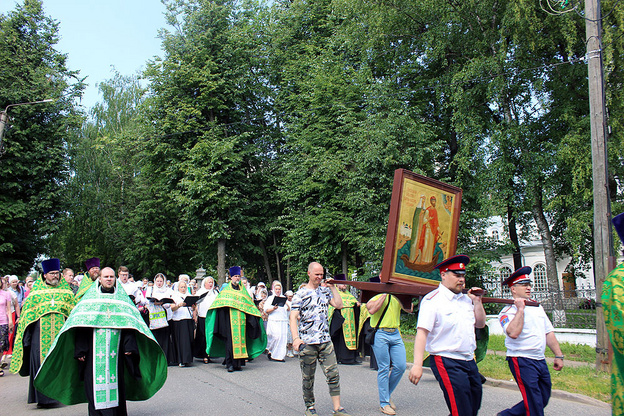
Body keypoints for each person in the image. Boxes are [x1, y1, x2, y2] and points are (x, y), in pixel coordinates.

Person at [33, 267, 167, 415]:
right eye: (106, 276)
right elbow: (81, 324)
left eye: (111, 276)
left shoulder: (122, 299)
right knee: (93, 388)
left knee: (116, 386)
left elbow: (130, 325)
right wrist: (81, 349)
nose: (109, 279)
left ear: (114, 279)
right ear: (100, 279)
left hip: (116, 353)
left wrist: (129, 347)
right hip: (93, 353)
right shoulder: (90, 300)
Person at [408, 255, 486, 416]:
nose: (461, 280)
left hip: (468, 359)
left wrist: (477, 302)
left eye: (463, 275)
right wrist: (417, 365)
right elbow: (422, 333)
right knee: (461, 410)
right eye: (457, 275)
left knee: (473, 404)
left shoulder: (466, 300)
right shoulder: (433, 300)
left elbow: (480, 324)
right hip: (446, 359)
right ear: (443, 275)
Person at [496, 266, 564, 416]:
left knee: (543, 397)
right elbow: (513, 333)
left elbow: (548, 332)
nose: (528, 288)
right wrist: (520, 309)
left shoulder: (536, 306)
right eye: (524, 285)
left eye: (529, 284)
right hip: (521, 359)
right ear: (513, 289)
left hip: (539, 359)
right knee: (533, 402)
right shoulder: (508, 311)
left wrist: (558, 355)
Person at [10, 258, 76, 407]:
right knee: (40, 364)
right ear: (45, 275)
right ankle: (43, 399)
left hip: (60, 336)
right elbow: (27, 317)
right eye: (52, 273)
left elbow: (73, 314)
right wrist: (26, 339)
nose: (55, 276)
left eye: (57, 273)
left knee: (59, 363)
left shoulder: (66, 292)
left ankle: (59, 394)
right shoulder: (36, 294)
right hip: (38, 337)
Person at [290, 262, 351, 416]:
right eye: (316, 274)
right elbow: (293, 318)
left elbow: (339, 305)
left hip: (325, 340)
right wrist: (296, 339)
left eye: (321, 274)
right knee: (308, 377)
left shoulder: (325, 292)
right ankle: (310, 407)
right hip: (308, 342)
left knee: (333, 374)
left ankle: (337, 408)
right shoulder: (300, 294)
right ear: (309, 274)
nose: (319, 277)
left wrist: (332, 287)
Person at [205, 266, 267, 372]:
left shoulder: (243, 291)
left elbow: (250, 305)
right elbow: (219, 304)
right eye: (235, 276)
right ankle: (230, 364)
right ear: (230, 277)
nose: (237, 278)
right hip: (229, 321)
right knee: (230, 343)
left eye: (238, 276)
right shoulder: (225, 291)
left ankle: (238, 363)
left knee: (241, 341)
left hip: (242, 320)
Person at [366, 293, 413, 415]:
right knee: (384, 368)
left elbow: (410, 309)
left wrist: (405, 295)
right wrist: (385, 293)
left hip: (395, 333)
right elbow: (371, 310)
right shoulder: (376, 294)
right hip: (380, 333)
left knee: (401, 366)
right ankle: (384, 403)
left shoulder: (398, 294)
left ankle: (386, 394)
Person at [329, 275, 360, 365]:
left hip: (351, 321)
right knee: (341, 339)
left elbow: (354, 303)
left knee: (353, 337)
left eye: (345, 284)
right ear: (337, 285)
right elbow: (332, 307)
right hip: (341, 321)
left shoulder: (349, 294)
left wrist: (356, 305)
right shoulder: (334, 294)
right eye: (342, 284)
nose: (344, 286)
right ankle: (341, 357)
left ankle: (352, 357)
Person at [145, 273, 174, 364]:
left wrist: (162, 303)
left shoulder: (167, 290)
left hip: (164, 316)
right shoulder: (151, 289)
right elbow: (146, 301)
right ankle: (154, 358)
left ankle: (165, 358)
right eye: (157, 281)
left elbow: (169, 303)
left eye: (161, 281)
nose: (159, 283)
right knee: (155, 337)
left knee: (164, 338)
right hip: (153, 316)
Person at [193, 276, 219, 363]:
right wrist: (195, 315)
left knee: (211, 336)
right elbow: (195, 305)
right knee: (203, 336)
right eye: (209, 282)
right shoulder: (200, 292)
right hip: (203, 317)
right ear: (204, 283)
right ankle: (204, 355)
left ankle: (210, 353)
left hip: (212, 317)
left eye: (212, 282)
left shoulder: (215, 293)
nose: (211, 284)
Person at [170, 280, 195, 367]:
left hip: (188, 318)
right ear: (178, 288)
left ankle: (188, 359)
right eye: (181, 287)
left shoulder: (189, 295)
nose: (183, 289)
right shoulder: (175, 296)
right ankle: (181, 359)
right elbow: (172, 308)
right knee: (182, 341)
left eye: (184, 287)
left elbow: (193, 308)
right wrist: (179, 305)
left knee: (189, 340)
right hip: (179, 319)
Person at [265, 281, 290, 362]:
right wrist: (273, 308)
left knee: (282, 338)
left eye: (279, 289)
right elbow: (267, 310)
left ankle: (279, 356)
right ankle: (271, 350)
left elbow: (288, 309)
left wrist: (285, 301)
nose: (278, 291)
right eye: (276, 289)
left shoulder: (283, 298)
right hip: (274, 320)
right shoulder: (270, 298)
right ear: (273, 289)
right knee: (276, 337)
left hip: (282, 321)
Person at [0, 277, 14, 375]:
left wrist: (10, 321)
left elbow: (9, 309)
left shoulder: (6, 294)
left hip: (3, 321)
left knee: (1, 345)